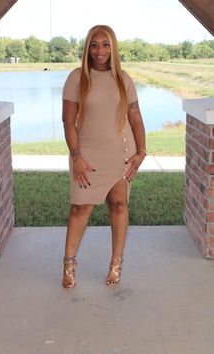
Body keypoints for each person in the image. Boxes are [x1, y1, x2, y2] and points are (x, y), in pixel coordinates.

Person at [62, 25, 146, 288]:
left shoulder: (124, 79)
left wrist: (141, 152)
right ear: (88, 48)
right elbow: (68, 122)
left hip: (121, 154)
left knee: (119, 206)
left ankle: (116, 263)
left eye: (106, 44)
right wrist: (76, 156)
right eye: (95, 44)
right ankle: (68, 263)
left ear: (113, 48)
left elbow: (135, 117)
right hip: (86, 156)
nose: (100, 50)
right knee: (79, 208)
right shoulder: (77, 78)